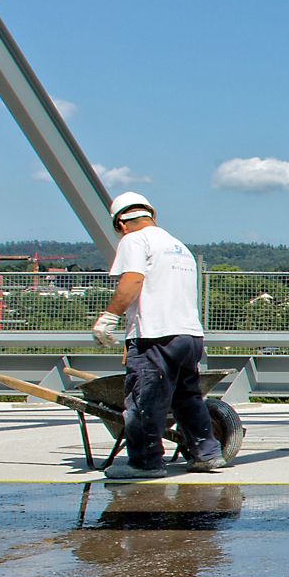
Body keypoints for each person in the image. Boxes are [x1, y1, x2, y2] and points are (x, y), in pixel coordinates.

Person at [90, 191, 225, 480]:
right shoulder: (177, 245)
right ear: (151, 215)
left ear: (121, 224)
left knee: (145, 400)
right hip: (189, 336)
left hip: (155, 335)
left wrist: (110, 316)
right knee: (188, 397)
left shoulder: (134, 240)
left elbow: (133, 280)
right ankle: (208, 454)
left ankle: (145, 462)